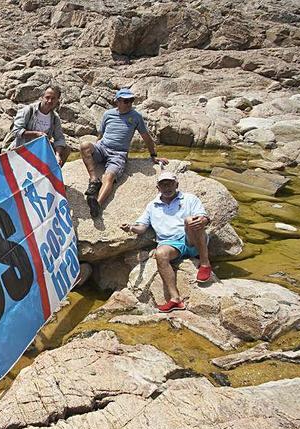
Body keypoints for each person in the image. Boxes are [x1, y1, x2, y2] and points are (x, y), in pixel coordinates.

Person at [119, 171, 214, 312]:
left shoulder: (189, 198)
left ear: (177, 184)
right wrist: (131, 228)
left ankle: (205, 263)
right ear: (158, 188)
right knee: (160, 253)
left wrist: (203, 220)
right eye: (163, 185)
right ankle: (175, 299)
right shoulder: (152, 206)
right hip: (171, 244)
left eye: (170, 184)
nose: (167, 187)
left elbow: (204, 217)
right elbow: (142, 227)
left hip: (190, 239)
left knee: (190, 220)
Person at [79, 88, 168, 218]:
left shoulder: (136, 117)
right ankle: (94, 180)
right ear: (117, 101)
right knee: (84, 145)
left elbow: (146, 137)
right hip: (102, 147)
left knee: (108, 177)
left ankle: (97, 205)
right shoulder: (108, 114)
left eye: (131, 100)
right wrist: (96, 146)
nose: (129, 103)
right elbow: (101, 133)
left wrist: (153, 156)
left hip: (118, 154)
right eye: (126, 101)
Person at [11, 85, 70, 166]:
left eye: (53, 99)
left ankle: (50, 176)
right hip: (23, 148)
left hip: (42, 150)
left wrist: (58, 155)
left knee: (65, 149)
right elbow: (16, 131)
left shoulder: (55, 118)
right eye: (47, 97)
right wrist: (36, 134)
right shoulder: (28, 110)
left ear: (57, 100)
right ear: (42, 97)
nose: (49, 101)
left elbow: (59, 139)